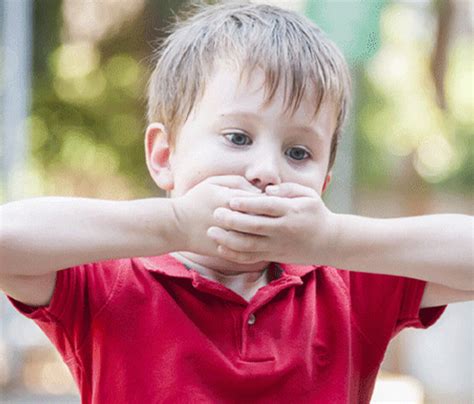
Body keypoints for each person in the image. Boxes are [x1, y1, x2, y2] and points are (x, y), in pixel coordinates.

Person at [0, 1, 472, 403]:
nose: (266, 170)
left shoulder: (346, 285)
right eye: (237, 137)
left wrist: (333, 238)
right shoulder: (112, 282)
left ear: (324, 182)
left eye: (298, 152)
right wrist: (174, 224)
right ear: (164, 156)